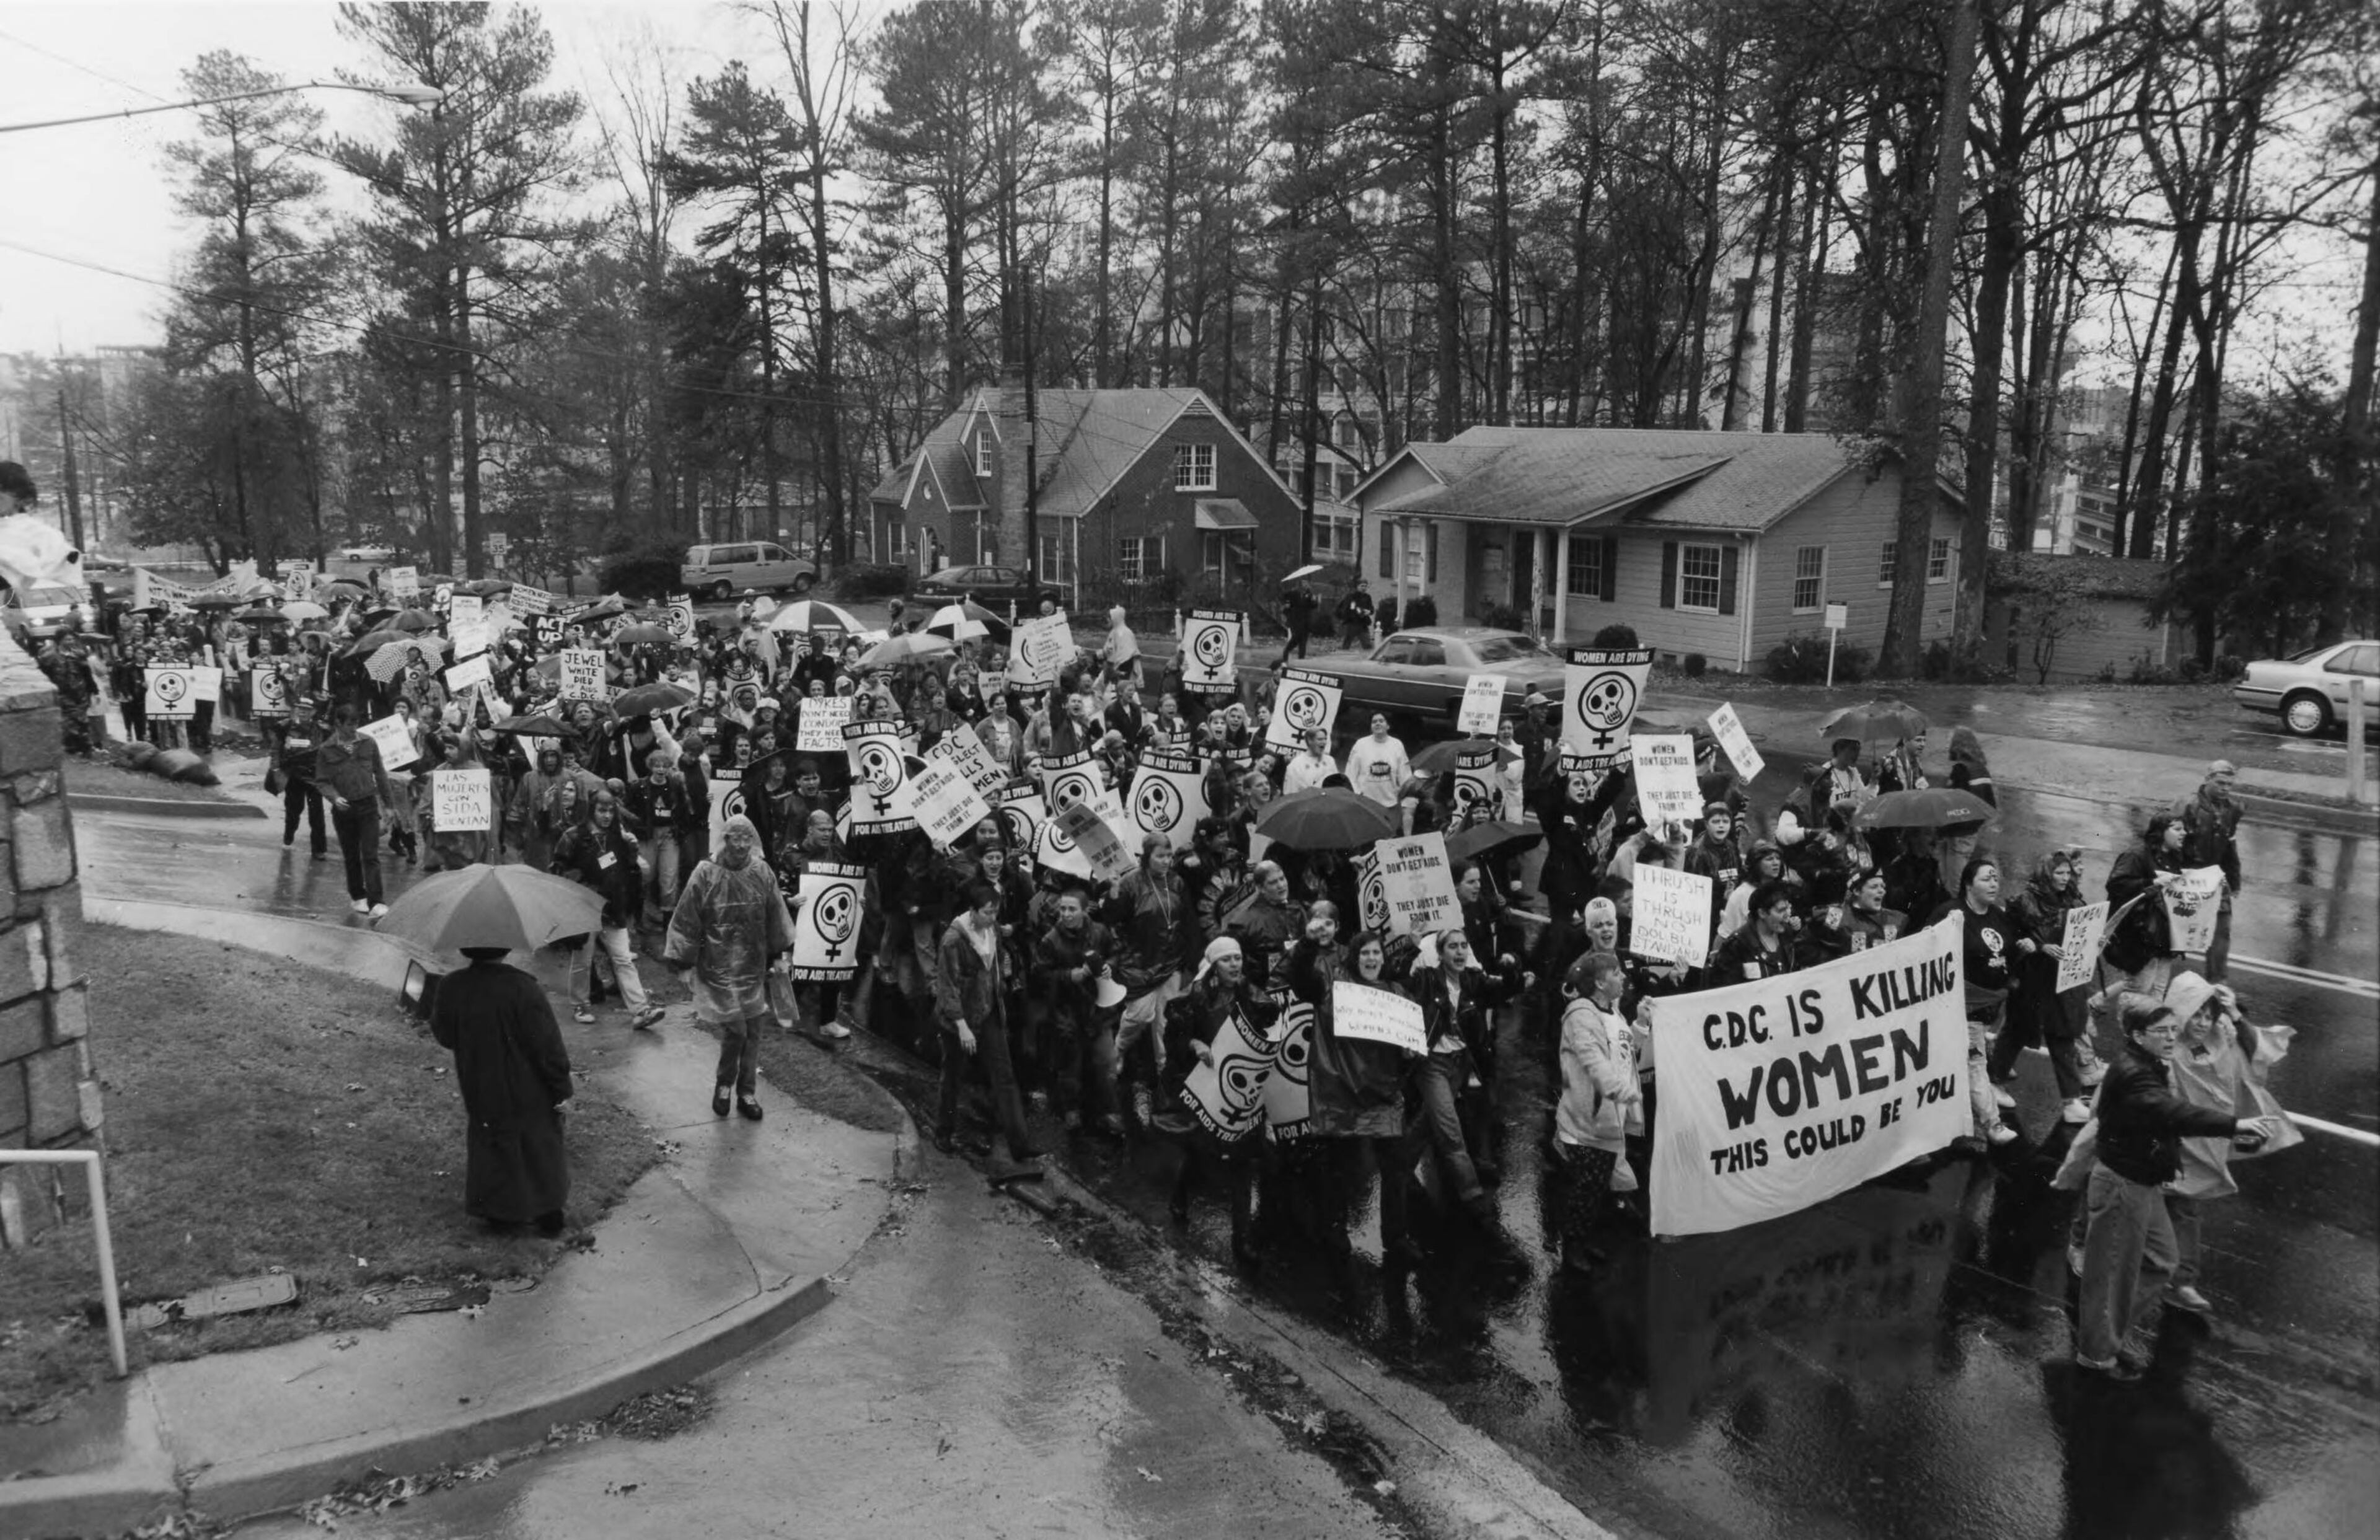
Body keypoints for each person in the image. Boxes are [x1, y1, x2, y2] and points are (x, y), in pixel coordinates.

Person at [2072, 995, 2280, 1379]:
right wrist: (2234, 1126)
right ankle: (2097, 1353)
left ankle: (2108, 1334)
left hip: (2143, 1183)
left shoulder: (2149, 1062)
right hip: (2124, 1185)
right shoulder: (2135, 1074)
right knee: (2111, 1275)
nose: (2172, 1037)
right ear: (2137, 1035)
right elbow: (2171, 1113)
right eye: (2161, 1031)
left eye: (2173, 1029)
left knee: (2162, 1260)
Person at [428, 945, 575, 1236]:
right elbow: (547, 1046)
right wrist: (561, 1087)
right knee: (539, 1144)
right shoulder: (523, 988)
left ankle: (499, 1211)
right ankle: (547, 1212)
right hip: (528, 1083)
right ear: (507, 947)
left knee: (491, 1141)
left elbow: (444, 1034)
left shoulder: (451, 986)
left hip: (479, 1079)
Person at [664, 814, 796, 1122]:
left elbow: (776, 912)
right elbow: (686, 919)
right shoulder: (705, 874)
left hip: (752, 965)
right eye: (734, 838)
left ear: (753, 841)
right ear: (724, 839)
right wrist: (683, 962)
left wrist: (779, 953)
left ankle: (746, 1092)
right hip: (717, 967)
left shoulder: (762, 872)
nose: (740, 845)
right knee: (736, 1031)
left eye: (746, 838)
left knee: (754, 1031)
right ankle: (724, 1085)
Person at [1160, 935, 1277, 1272]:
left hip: (1240, 1091)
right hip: (1206, 1089)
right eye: (1227, 960)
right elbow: (1175, 1041)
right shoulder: (1192, 997)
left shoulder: (1249, 992)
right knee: (1200, 1153)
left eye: (1238, 958)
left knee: (1242, 1162)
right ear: (1213, 965)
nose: (1235, 965)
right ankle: (1180, 1194)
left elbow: (1271, 1017)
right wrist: (1195, 1043)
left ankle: (1241, 1240)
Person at [934, 878, 1038, 1162]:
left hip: (990, 1011)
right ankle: (943, 1131)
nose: (992, 919)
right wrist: (962, 1026)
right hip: (960, 1020)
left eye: (995, 913)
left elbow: (997, 963)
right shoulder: (953, 940)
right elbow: (948, 986)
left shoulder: (993, 931)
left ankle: (1020, 1144)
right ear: (972, 911)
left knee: (1005, 1076)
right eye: (987, 913)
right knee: (953, 1076)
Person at [1929, 856, 2027, 1146]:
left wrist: (2022, 948)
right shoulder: (1949, 913)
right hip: (1961, 1007)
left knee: (1961, 1061)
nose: (1994, 883)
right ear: (1969, 885)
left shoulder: (1998, 915)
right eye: (1986, 878)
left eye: (1996, 878)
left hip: (1990, 1008)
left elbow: (2006, 952)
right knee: (1975, 1062)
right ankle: (1992, 1123)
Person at [1553, 951, 1641, 1275]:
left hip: (1607, 1120)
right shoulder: (1581, 1017)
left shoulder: (1611, 1011)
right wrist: (1618, 1089)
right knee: (1587, 1188)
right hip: (1586, 1124)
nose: (1624, 977)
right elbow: (1593, 1059)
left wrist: (1641, 1024)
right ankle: (1572, 1248)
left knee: (1596, 1185)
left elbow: (1624, 1053)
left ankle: (1583, 1239)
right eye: (1616, 973)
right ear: (1600, 983)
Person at [553, 790, 666, 1030]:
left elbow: (631, 872)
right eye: (601, 811)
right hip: (583, 907)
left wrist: (633, 850)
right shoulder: (573, 837)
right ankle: (580, 1005)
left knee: (624, 958)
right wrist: (583, 885)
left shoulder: (619, 837)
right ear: (592, 810)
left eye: (610, 811)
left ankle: (640, 1010)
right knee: (583, 960)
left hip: (613, 907)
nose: (606, 816)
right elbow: (557, 872)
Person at [2001, 849, 2095, 1123]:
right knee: (2018, 1031)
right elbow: (2014, 938)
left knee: (2061, 1036)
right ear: (2047, 873)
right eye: (2059, 873)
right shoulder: (2025, 901)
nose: (2066, 878)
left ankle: (2071, 1100)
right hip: (2034, 980)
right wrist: (2041, 947)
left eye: (2068, 872)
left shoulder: (2074, 899)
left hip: (2062, 981)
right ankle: (1994, 1077)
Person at [316, 702, 403, 918]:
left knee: (370, 855)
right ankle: (358, 896)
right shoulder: (326, 750)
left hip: (367, 805)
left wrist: (390, 805)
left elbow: (381, 774)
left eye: (356, 724)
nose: (353, 729)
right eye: (349, 725)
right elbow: (322, 781)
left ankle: (377, 902)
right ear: (338, 724)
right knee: (351, 855)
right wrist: (335, 798)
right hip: (344, 809)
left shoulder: (368, 743)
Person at [2179, 760, 2242, 981]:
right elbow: (2164, 838)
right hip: (2186, 877)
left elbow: (2229, 846)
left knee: (2221, 931)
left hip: (2215, 878)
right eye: (2220, 783)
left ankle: (2217, 985)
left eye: (2230, 784)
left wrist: (2234, 880)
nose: (2226, 788)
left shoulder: (2233, 809)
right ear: (2207, 780)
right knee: (2170, 935)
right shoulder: (2187, 806)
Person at [273, 694, 328, 861]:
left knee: (317, 814)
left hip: (314, 777)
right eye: (300, 709)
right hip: (293, 776)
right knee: (293, 810)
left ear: (313, 712)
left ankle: (319, 849)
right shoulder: (285, 727)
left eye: (307, 710)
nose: (303, 712)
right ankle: (289, 835)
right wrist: (275, 769)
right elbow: (276, 749)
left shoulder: (322, 730)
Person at [1342, 714, 1411, 808]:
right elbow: (1350, 774)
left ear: (1388, 726)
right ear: (1371, 727)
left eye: (1381, 721)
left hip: (1390, 804)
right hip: (1364, 804)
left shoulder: (1397, 745)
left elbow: (1405, 775)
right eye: (1374, 722)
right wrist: (1357, 794)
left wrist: (1403, 796)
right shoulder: (1361, 744)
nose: (1377, 724)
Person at [1282, 727, 1336, 793]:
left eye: (1325, 739)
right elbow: (1290, 794)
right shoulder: (1296, 765)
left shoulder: (1330, 761)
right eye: (1320, 739)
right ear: (1310, 741)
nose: (1324, 742)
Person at [1279, 581, 1318, 663]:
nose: (1306, 585)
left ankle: (1301, 660)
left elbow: (1314, 605)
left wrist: (1313, 598)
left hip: (1306, 622)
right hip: (1296, 622)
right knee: (1296, 639)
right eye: (1304, 584)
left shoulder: (1309, 595)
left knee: (1303, 642)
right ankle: (1286, 654)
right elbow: (1286, 601)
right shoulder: (1294, 594)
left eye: (1307, 584)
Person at [1336, 579, 1373, 650]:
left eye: (1366, 586)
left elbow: (1371, 609)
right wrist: (1346, 618)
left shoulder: (1367, 597)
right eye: (1362, 586)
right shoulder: (1351, 596)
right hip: (1352, 623)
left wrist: (1369, 612)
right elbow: (1343, 608)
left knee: (1367, 644)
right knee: (1347, 643)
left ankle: (1368, 658)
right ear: (1357, 587)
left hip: (1363, 623)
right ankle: (1344, 657)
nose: (1364, 588)